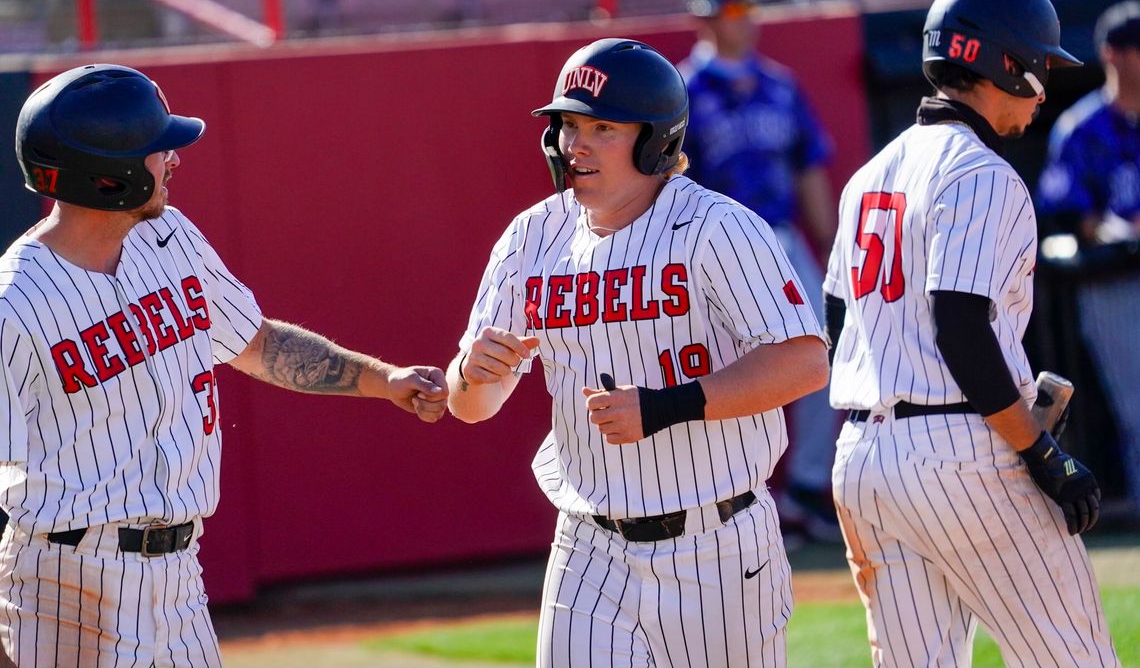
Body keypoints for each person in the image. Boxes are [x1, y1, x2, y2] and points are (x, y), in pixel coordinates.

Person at [0, 63, 449, 667]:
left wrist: (383, 380)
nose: (174, 159)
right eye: (158, 148)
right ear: (110, 175)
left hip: (180, 577)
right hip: (65, 583)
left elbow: (256, 343)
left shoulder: (170, 237)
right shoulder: (15, 304)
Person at [446, 38, 829, 667]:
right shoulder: (532, 235)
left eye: (603, 127)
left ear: (656, 139)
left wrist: (664, 407)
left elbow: (805, 360)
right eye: (568, 125)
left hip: (718, 543)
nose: (576, 145)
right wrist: (472, 373)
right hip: (587, 546)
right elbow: (472, 406)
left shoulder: (718, 227)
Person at [824, 0, 1119, 666]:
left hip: (864, 460)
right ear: (1002, 64)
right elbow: (960, 327)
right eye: (1039, 66)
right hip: (960, 452)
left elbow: (841, 323)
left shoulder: (870, 174)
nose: (1045, 87)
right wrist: (1041, 454)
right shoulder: (981, 172)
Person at [678, 0, 842, 543]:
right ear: (704, 17)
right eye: (732, 10)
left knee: (824, 353)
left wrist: (829, 248)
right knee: (728, 371)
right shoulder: (683, 91)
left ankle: (803, 486)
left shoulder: (780, 84)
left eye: (749, 9)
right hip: (711, 247)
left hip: (781, 236)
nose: (745, 21)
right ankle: (741, 494)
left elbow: (808, 168)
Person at [1036, 0, 1140, 514]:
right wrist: (1119, 228)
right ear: (1113, 55)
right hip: (1113, 280)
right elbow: (1068, 210)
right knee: (1138, 409)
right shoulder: (1083, 127)